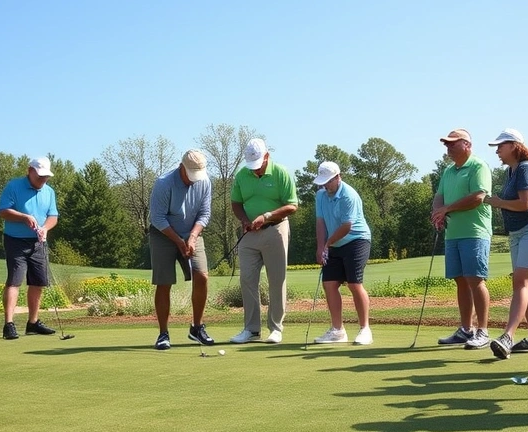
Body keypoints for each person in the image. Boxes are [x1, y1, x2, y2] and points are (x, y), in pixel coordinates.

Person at [484, 129, 528, 360]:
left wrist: (498, 202)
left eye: (500, 146)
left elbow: (526, 203)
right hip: (518, 232)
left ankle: (508, 336)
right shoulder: (511, 172)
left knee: (520, 281)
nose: (497, 151)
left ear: (514, 146)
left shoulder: (525, 168)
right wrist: (499, 202)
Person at [229, 138, 298, 344]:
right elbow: (236, 202)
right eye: (253, 167)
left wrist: (267, 216)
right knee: (247, 279)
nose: (256, 171)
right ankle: (251, 330)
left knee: (277, 280)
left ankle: (276, 328)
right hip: (249, 233)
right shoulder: (242, 175)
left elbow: (292, 206)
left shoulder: (280, 173)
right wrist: (244, 220)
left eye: (259, 166)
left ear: (267, 156)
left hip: (275, 230)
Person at [430, 129, 493, 350]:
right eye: (447, 145)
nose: (448, 148)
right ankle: (466, 329)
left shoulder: (478, 166)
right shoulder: (448, 171)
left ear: (466, 144)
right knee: (460, 280)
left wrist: (448, 208)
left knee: (475, 279)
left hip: (475, 231)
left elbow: (478, 197)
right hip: (453, 233)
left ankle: (483, 331)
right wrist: (438, 212)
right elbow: (439, 197)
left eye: (452, 144)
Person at [148, 150, 214, 350]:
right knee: (164, 281)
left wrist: (192, 237)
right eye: (191, 174)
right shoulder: (164, 183)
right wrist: (178, 241)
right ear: (181, 167)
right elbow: (157, 218)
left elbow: (204, 213)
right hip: (163, 233)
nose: (194, 180)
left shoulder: (204, 182)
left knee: (202, 275)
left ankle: (196, 328)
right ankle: (163, 334)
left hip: (192, 233)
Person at [0, 157, 59, 340]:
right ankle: (9, 324)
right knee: (14, 281)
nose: (43, 180)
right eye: (40, 176)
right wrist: (24, 217)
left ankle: (33, 323)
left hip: (38, 242)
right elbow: (2, 211)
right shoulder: (13, 186)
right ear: (29, 170)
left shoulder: (49, 191)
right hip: (15, 240)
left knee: (38, 282)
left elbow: (53, 216)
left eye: (46, 177)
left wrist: (45, 228)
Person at [311, 161, 373, 345]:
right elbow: (320, 222)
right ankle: (337, 331)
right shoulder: (321, 196)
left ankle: (365, 330)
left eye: (328, 181)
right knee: (329, 284)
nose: (325, 185)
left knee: (354, 284)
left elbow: (347, 226)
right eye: (322, 182)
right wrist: (320, 246)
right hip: (333, 243)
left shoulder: (349, 195)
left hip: (356, 240)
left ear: (338, 177)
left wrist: (327, 244)